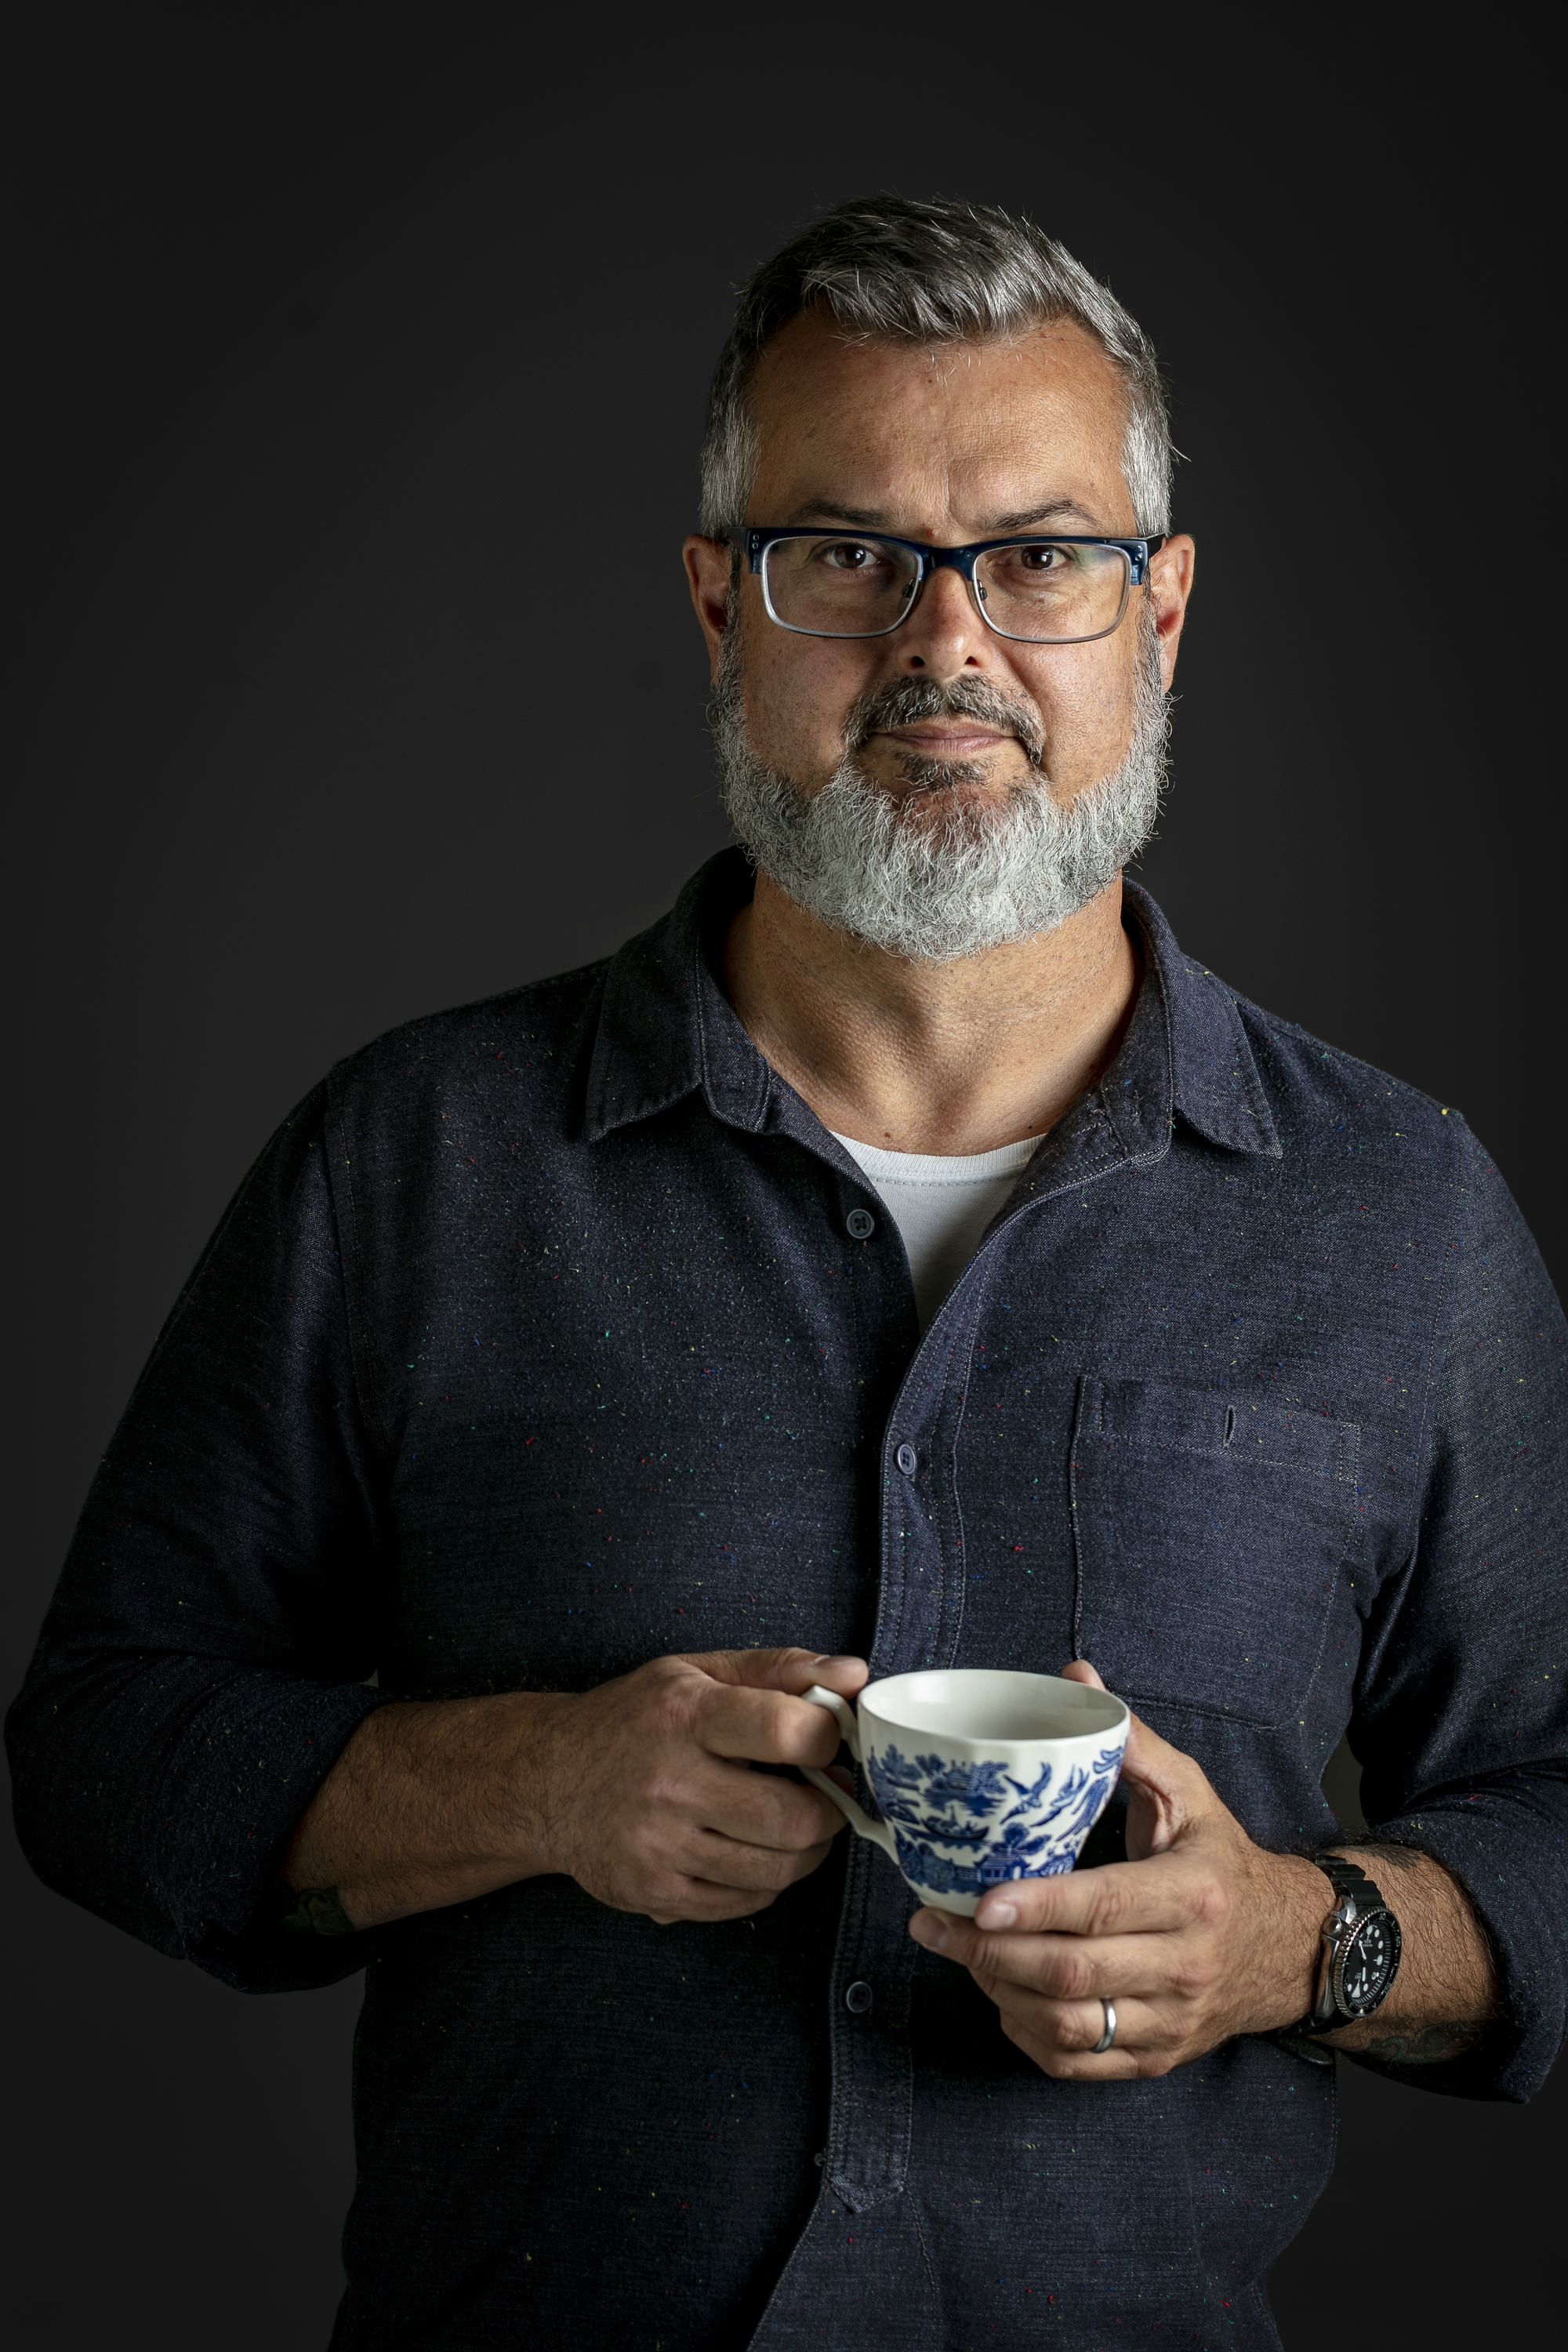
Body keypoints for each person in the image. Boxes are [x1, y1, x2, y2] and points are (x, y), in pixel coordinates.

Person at [7, 195, 1565, 2352]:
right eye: (848, 556)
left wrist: (1307, 1941)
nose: (949, 646)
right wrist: (539, 1786)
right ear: (719, 608)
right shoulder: (417, 1156)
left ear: (1164, 614)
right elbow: (102, 1750)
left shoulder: (1402, 1212)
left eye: (1041, 556)